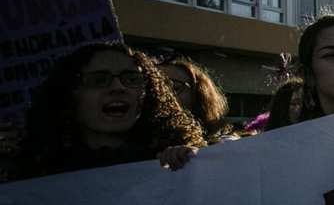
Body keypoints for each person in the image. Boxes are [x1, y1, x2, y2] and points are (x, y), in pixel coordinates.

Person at [8, 42, 205, 180]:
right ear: (69, 94)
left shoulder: (173, 161)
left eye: (131, 79)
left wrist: (193, 164)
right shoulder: (33, 171)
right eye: (98, 80)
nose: (118, 88)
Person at [156, 56, 233, 142]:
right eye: (154, 86)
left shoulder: (224, 145)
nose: (162, 94)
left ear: (200, 95)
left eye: (174, 88)